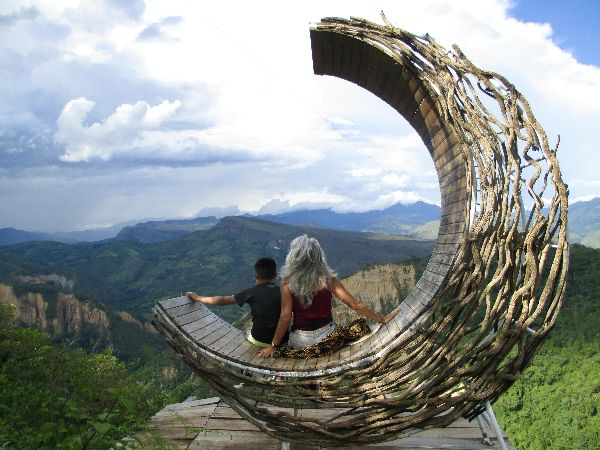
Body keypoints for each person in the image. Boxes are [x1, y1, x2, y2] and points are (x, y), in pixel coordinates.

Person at [258, 235, 396, 358]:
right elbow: (355, 304)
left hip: (300, 341)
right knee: (358, 326)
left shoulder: (287, 283)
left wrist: (274, 346)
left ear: (294, 257)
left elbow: (285, 316)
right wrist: (381, 319)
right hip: (329, 339)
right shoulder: (328, 279)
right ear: (319, 257)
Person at [186, 257, 287, 348]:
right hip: (281, 342)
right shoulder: (283, 293)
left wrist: (198, 298)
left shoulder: (252, 292)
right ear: (275, 275)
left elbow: (222, 300)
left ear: (256, 274)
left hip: (259, 340)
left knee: (249, 330)